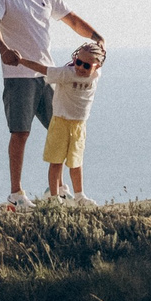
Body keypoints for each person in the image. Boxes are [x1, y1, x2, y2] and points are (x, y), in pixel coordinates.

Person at [0, 0, 104, 209]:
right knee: (21, 132)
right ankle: (16, 193)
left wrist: (95, 37)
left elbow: (71, 19)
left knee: (59, 128)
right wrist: (4, 50)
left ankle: (60, 190)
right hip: (18, 75)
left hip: (48, 75)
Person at [43, 40, 105, 201]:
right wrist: (20, 61)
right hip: (60, 122)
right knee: (56, 161)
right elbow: (44, 70)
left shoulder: (96, 75)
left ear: (96, 66)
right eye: (78, 62)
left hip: (79, 124)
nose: (80, 68)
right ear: (74, 59)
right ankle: (54, 196)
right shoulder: (66, 73)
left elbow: (100, 56)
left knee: (76, 162)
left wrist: (100, 43)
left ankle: (79, 195)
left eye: (86, 65)